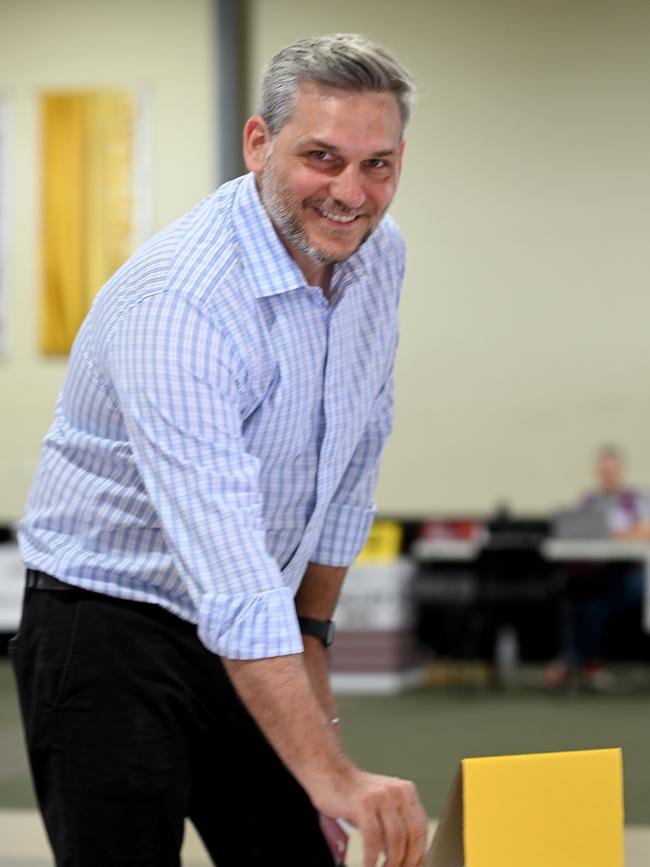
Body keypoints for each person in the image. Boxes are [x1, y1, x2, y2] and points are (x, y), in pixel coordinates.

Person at [10, 33, 429, 867]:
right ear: (258, 142)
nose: (351, 193)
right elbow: (228, 568)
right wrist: (331, 774)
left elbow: (349, 469)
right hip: (110, 621)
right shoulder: (183, 301)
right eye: (322, 157)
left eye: (377, 164)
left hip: (258, 619)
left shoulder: (379, 258)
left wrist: (314, 650)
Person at [548, 444, 650, 689]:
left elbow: (645, 530)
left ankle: (580, 661)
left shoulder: (636, 499)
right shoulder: (589, 501)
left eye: (612, 471)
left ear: (621, 470)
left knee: (595, 602)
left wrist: (614, 535)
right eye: (603, 472)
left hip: (631, 575)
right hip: (595, 573)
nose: (607, 476)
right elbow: (578, 532)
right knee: (577, 595)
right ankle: (575, 661)